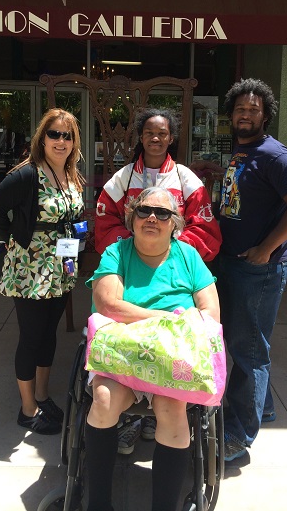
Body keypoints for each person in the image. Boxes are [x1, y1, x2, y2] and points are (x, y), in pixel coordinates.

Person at [85, 187, 220, 511]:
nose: (152, 218)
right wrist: (168, 318)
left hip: (174, 358)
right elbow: (107, 305)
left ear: (175, 223)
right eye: (144, 211)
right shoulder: (117, 253)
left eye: (162, 213)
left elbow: (210, 313)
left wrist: (166, 328)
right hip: (123, 355)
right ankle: (98, 505)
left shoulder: (188, 256)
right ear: (131, 218)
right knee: (103, 401)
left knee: (172, 408)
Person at [95, 107, 222, 450]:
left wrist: (171, 248)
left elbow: (205, 226)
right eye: (149, 133)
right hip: (131, 274)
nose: (155, 139)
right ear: (140, 136)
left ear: (171, 138)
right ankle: (133, 418)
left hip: (171, 269)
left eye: (162, 134)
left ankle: (153, 415)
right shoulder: (122, 178)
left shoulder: (185, 179)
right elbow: (105, 223)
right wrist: (133, 249)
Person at [218, 78, 287, 461]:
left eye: (253, 110)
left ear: (266, 115)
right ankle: (265, 406)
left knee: (249, 349)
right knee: (247, 342)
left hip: (258, 268)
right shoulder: (242, 152)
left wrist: (265, 250)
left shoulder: (277, 156)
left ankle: (239, 437)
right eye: (240, 109)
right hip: (234, 262)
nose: (245, 114)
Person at [0, 108, 85, 435]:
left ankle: (42, 396)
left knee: (48, 334)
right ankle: (27, 409)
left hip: (61, 267)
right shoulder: (26, 175)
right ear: (41, 138)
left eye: (67, 135)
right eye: (53, 134)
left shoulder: (71, 175)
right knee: (31, 337)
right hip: (30, 270)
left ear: (74, 142)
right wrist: (14, 241)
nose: (60, 141)